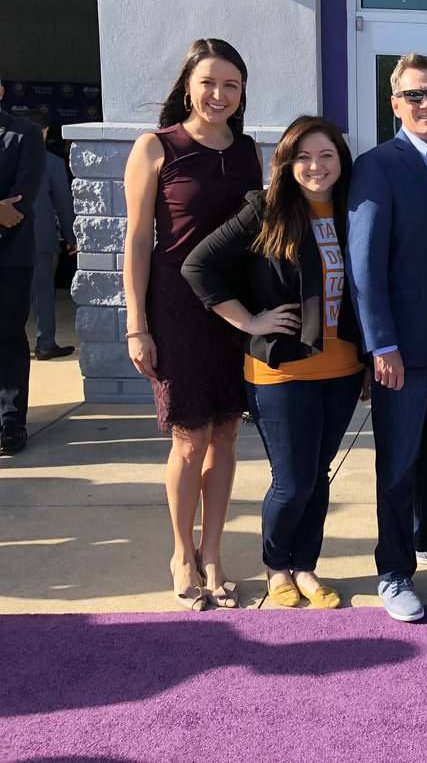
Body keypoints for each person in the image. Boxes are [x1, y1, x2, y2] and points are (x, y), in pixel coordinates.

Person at [183, 116, 367, 610]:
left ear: (340, 161)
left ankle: (305, 566)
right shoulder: (265, 210)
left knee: (319, 472)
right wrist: (249, 321)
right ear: (286, 163)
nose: (316, 166)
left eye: (326, 155)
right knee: (292, 480)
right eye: (303, 156)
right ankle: (276, 565)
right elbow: (197, 265)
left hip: (343, 368)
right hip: (281, 371)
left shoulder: (354, 209)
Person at [122, 39, 263, 611]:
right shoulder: (157, 147)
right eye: (209, 83)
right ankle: (181, 553)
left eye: (231, 85)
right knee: (190, 437)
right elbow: (135, 242)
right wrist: (137, 325)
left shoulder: (251, 150)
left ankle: (213, 553)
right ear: (188, 85)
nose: (219, 95)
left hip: (234, 308)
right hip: (176, 309)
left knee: (226, 435)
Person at [346, 53, 427, 623]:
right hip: (405, 348)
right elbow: (364, 263)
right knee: (396, 464)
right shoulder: (378, 165)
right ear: (395, 105)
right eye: (415, 96)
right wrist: (381, 344)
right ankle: (394, 568)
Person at [0, 74, 46, 456]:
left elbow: (19, 202)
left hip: (10, 256)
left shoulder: (24, 135)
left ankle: (10, 420)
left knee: (7, 335)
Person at [23, 110, 77, 361]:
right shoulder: (51, 162)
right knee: (42, 290)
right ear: (44, 132)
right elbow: (64, 203)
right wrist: (70, 236)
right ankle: (45, 343)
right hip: (40, 237)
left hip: (8, 237)